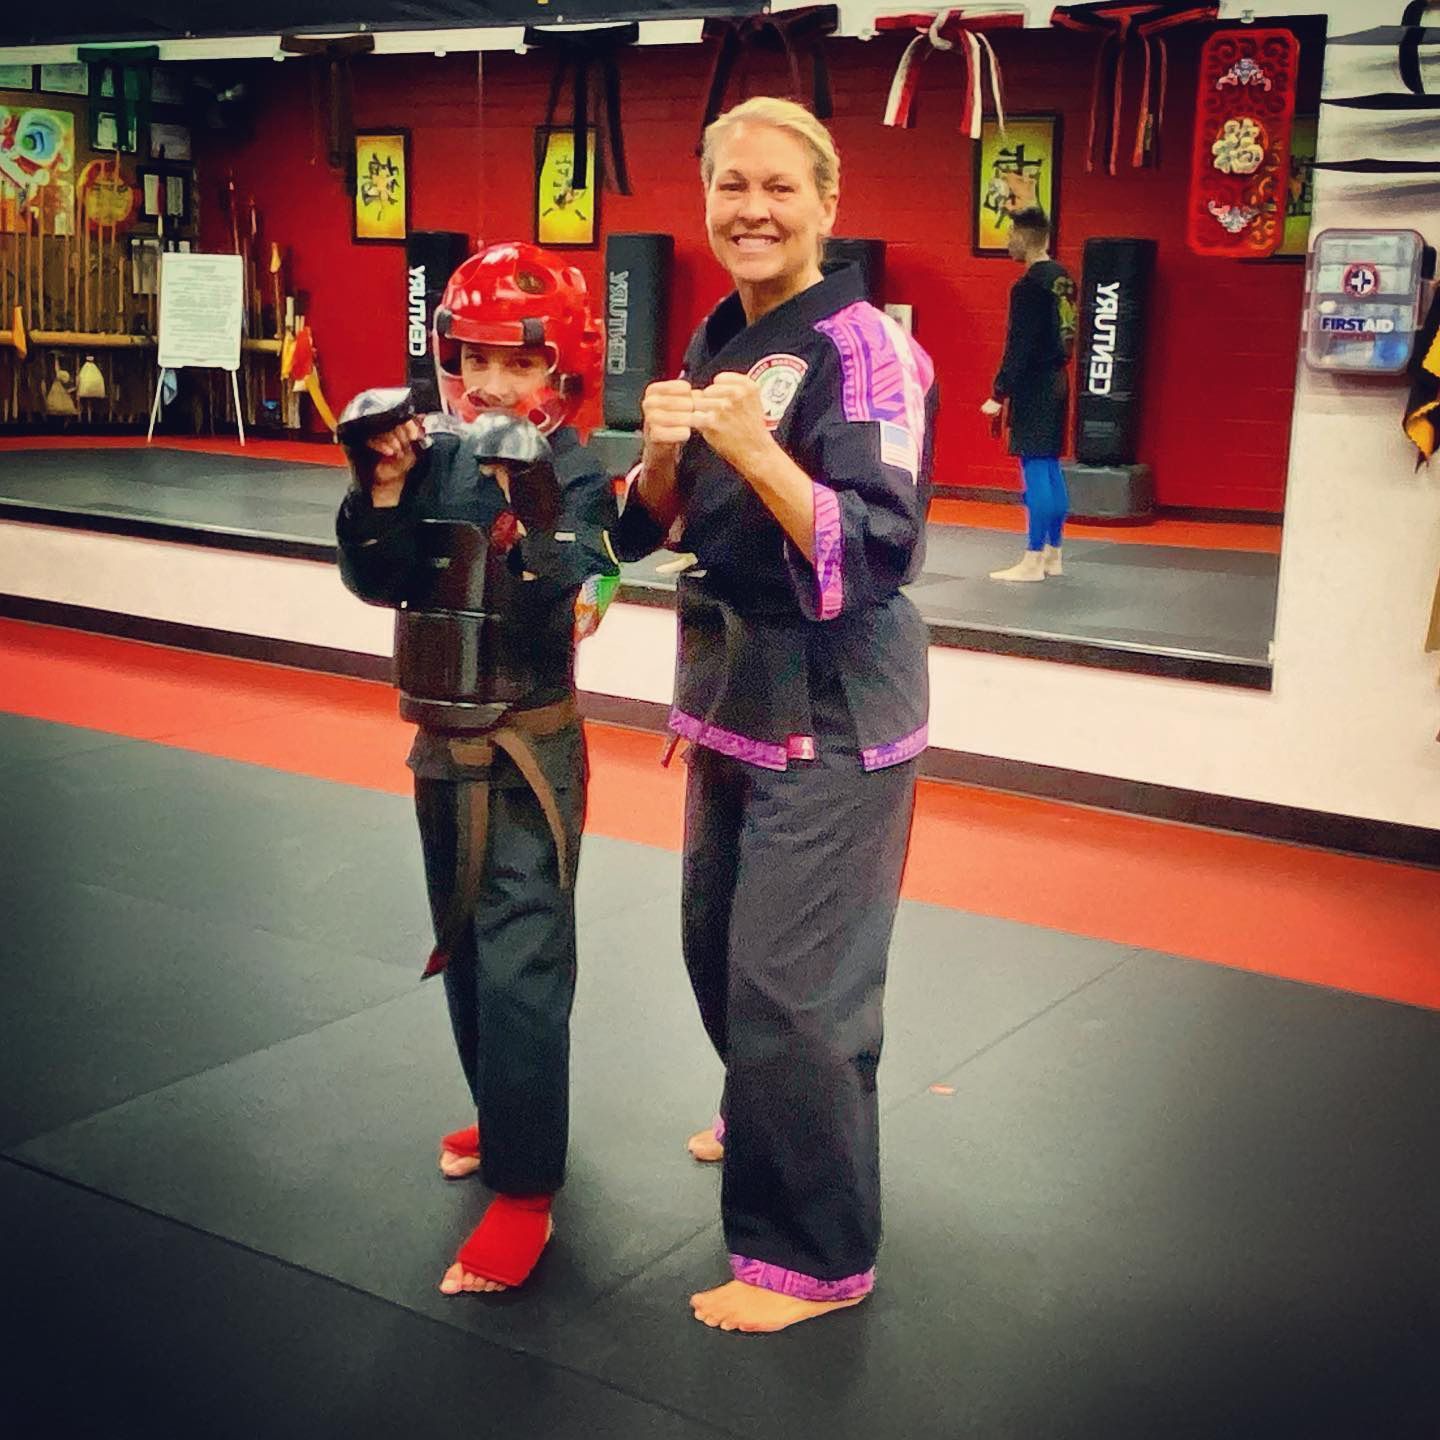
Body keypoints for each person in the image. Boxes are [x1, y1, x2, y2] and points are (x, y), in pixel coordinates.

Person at [613, 96, 937, 1335]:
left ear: (827, 202)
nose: (752, 208)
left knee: (796, 989)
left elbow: (880, 547)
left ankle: (813, 1256)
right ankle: (776, 1110)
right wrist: (658, 459)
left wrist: (757, 453)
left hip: (841, 705)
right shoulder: (719, 338)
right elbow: (653, 526)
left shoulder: (869, 352)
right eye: (730, 185)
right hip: (735, 697)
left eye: (779, 188)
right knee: (721, 957)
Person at [335, 242, 618, 1296]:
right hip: (438, 741)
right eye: (472, 360)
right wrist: (384, 486)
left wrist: (535, 501)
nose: (491, 385)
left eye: (518, 361)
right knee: (463, 942)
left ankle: (527, 1187)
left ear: (563, 367)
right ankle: (506, 1118)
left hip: (528, 748)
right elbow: (383, 581)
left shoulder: (581, 467)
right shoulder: (441, 456)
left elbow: (579, 583)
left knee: (523, 962)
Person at [981, 204, 1076, 582]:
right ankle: (1054, 553)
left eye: (1009, 236)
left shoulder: (1028, 286)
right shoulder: (1063, 278)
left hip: (1035, 384)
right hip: (1058, 380)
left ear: (1023, 237)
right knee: (1050, 468)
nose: (1007, 243)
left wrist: (999, 392)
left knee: (1035, 470)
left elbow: (1019, 344)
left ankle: (1033, 558)